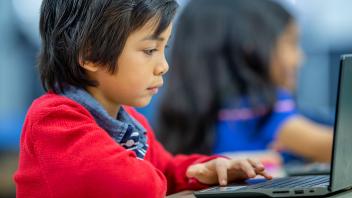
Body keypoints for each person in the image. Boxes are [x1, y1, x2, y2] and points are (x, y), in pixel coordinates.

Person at [13, 0, 272, 198]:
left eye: (163, 49)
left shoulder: (130, 122)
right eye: (149, 50)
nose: (164, 66)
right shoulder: (54, 119)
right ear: (90, 55)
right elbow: (133, 184)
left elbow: (165, 169)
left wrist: (203, 170)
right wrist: (163, 178)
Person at [157, 0, 333, 163]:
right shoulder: (263, 109)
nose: (299, 58)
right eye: (290, 43)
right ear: (250, 47)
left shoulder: (185, 113)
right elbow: (334, 146)